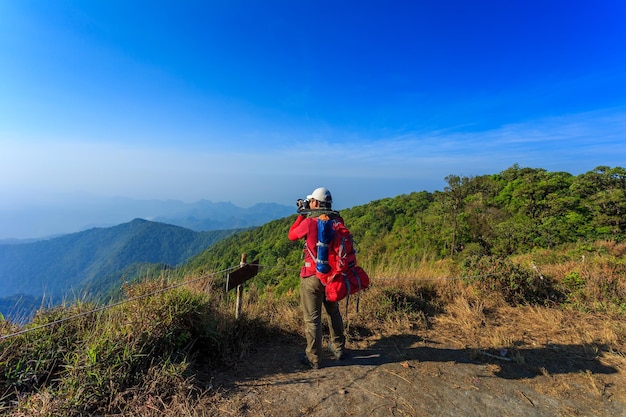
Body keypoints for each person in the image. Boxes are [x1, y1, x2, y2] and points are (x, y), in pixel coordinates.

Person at [288, 187, 347, 369]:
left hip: (312, 276)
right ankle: (338, 348)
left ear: (315, 203)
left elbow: (292, 235)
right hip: (332, 276)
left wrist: (302, 213)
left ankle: (313, 358)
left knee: (312, 319)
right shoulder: (338, 220)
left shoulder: (309, 222)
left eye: (311, 201)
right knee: (333, 311)